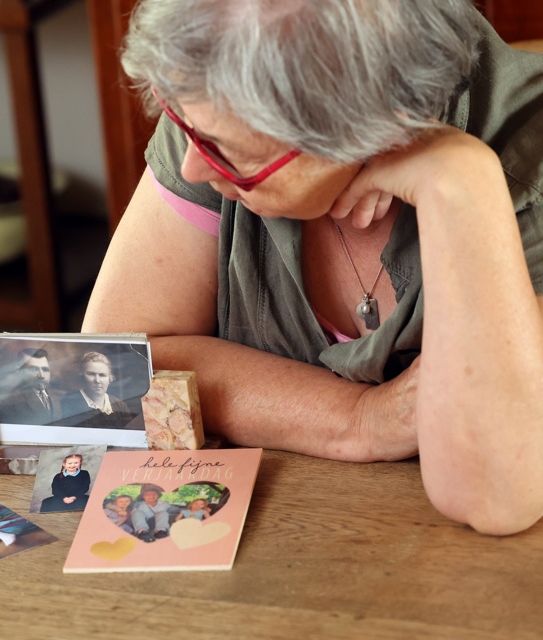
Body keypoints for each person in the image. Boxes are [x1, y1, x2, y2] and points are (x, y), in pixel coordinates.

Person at [82, 0, 543, 536]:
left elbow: (492, 494)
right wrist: (359, 420)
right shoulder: (214, 106)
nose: (192, 165)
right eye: (177, 117)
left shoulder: (527, 167)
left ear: (373, 123)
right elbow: (123, 361)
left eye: (231, 153)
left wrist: (458, 180)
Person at [59, 352, 136, 428]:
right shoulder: (68, 402)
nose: (97, 380)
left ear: (110, 378)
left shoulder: (120, 406)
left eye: (102, 375)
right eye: (91, 374)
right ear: (81, 375)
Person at [0, 348, 58, 425]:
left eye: (45, 369)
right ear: (20, 372)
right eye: (34, 369)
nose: (42, 375)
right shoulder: (10, 403)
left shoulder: (58, 394)